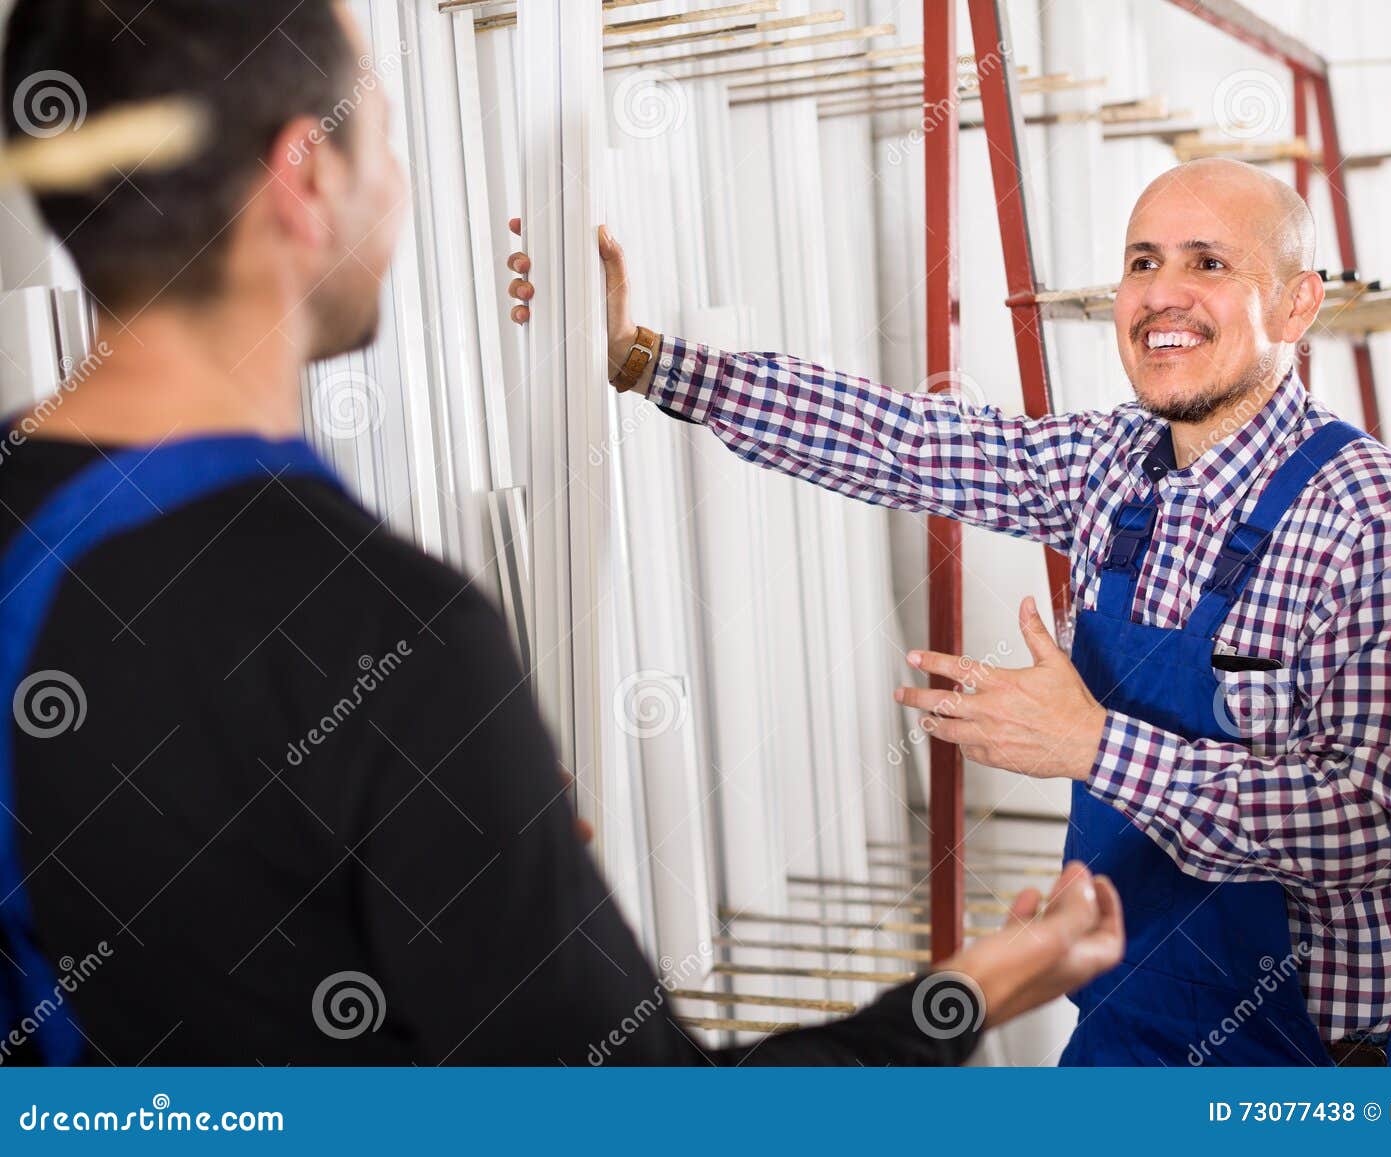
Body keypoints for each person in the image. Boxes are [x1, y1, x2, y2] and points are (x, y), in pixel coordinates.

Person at [0, 0, 1125, 1067]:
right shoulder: (386, 637)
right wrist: (971, 988)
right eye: (382, 138)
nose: (395, 184)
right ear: (303, 176)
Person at [508, 153, 1391, 1066]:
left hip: (1299, 1064)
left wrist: (1096, 746)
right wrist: (642, 358)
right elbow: (900, 441)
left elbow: (1371, 821)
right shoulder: (1111, 467)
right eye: (1143, 262)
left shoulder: (1378, 522)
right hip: (1123, 1026)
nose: (1162, 293)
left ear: (1298, 302)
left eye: (1208, 263)